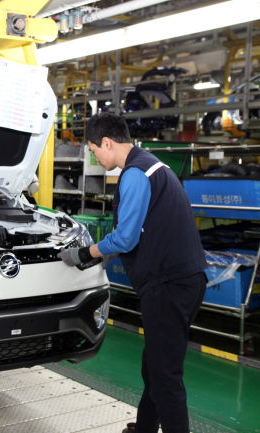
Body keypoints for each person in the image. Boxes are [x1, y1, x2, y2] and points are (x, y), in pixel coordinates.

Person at [59, 113, 207, 433]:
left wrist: (84, 254)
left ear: (108, 143)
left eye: (94, 150)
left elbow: (126, 238)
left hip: (169, 284)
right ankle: (144, 429)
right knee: (153, 367)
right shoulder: (153, 165)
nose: (95, 157)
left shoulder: (135, 173)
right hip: (185, 279)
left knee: (165, 376)